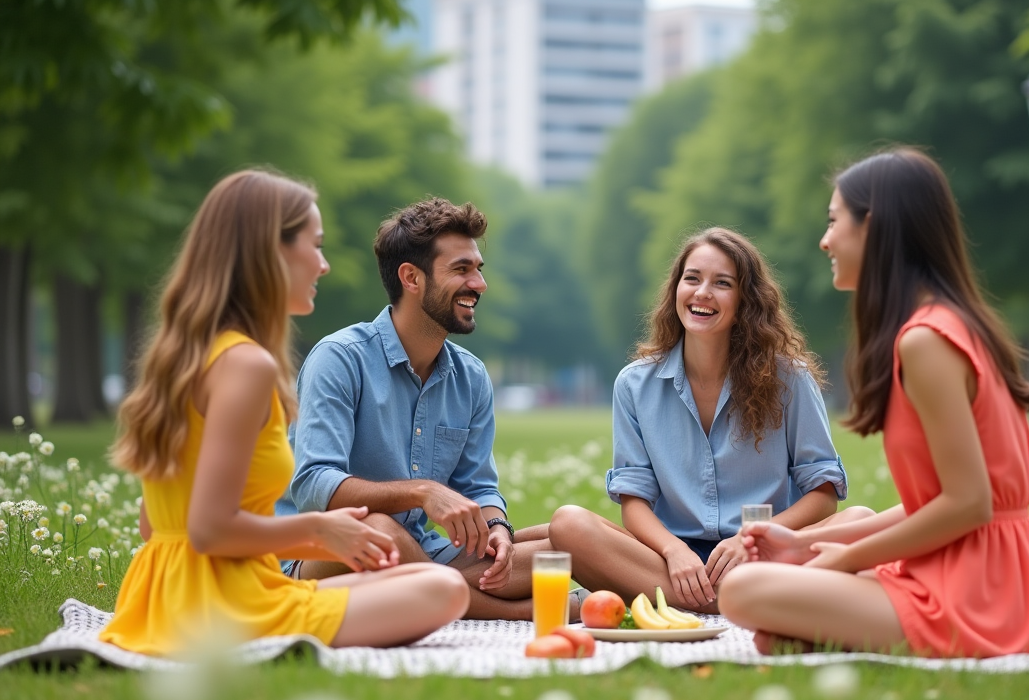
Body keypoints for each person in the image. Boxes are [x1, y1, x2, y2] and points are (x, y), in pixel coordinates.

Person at [101, 170, 468, 655]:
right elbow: (209, 530)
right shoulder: (246, 365)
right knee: (445, 589)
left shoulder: (189, 355)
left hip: (160, 596)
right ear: (269, 254)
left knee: (421, 575)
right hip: (217, 610)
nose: (323, 265)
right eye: (314, 246)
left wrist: (334, 543)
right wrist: (317, 528)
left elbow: (157, 527)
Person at [720, 148, 1029, 657]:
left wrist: (843, 560)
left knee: (742, 589)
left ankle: (841, 628)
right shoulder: (951, 323)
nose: (825, 240)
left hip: (978, 593)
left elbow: (968, 504)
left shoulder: (925, 341)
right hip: (986, 574)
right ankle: (825, 631)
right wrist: (803, 546)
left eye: (834, 222)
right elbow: (943, 500)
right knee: (823, 560)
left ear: (873, 228)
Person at [549, 228, 866, 612]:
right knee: (569, 524)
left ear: (746, 301)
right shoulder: (634, 384)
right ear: (676, 289)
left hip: (764, 552)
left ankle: (691, 599)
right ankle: (738, 599)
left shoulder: (791, 379)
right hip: (671, 561)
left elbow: (824, 493)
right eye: (692, 278)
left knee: (861, 520)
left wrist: (754, 538)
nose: (702, 293)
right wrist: (674, 550)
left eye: (722, 283)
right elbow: (634, 501)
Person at [276, 197, 559, 621]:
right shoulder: (339, 358)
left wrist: (498, 528)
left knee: (565, 543)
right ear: (411, 277)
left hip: (421, 552)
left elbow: (478, 486)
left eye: (479, 269)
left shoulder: (472, 377)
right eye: (462, 269)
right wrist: (423, 492)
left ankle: (450, 591)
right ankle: (525, 611)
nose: (479, 283)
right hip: (322, 554)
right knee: (379, 530)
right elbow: (316, 484)